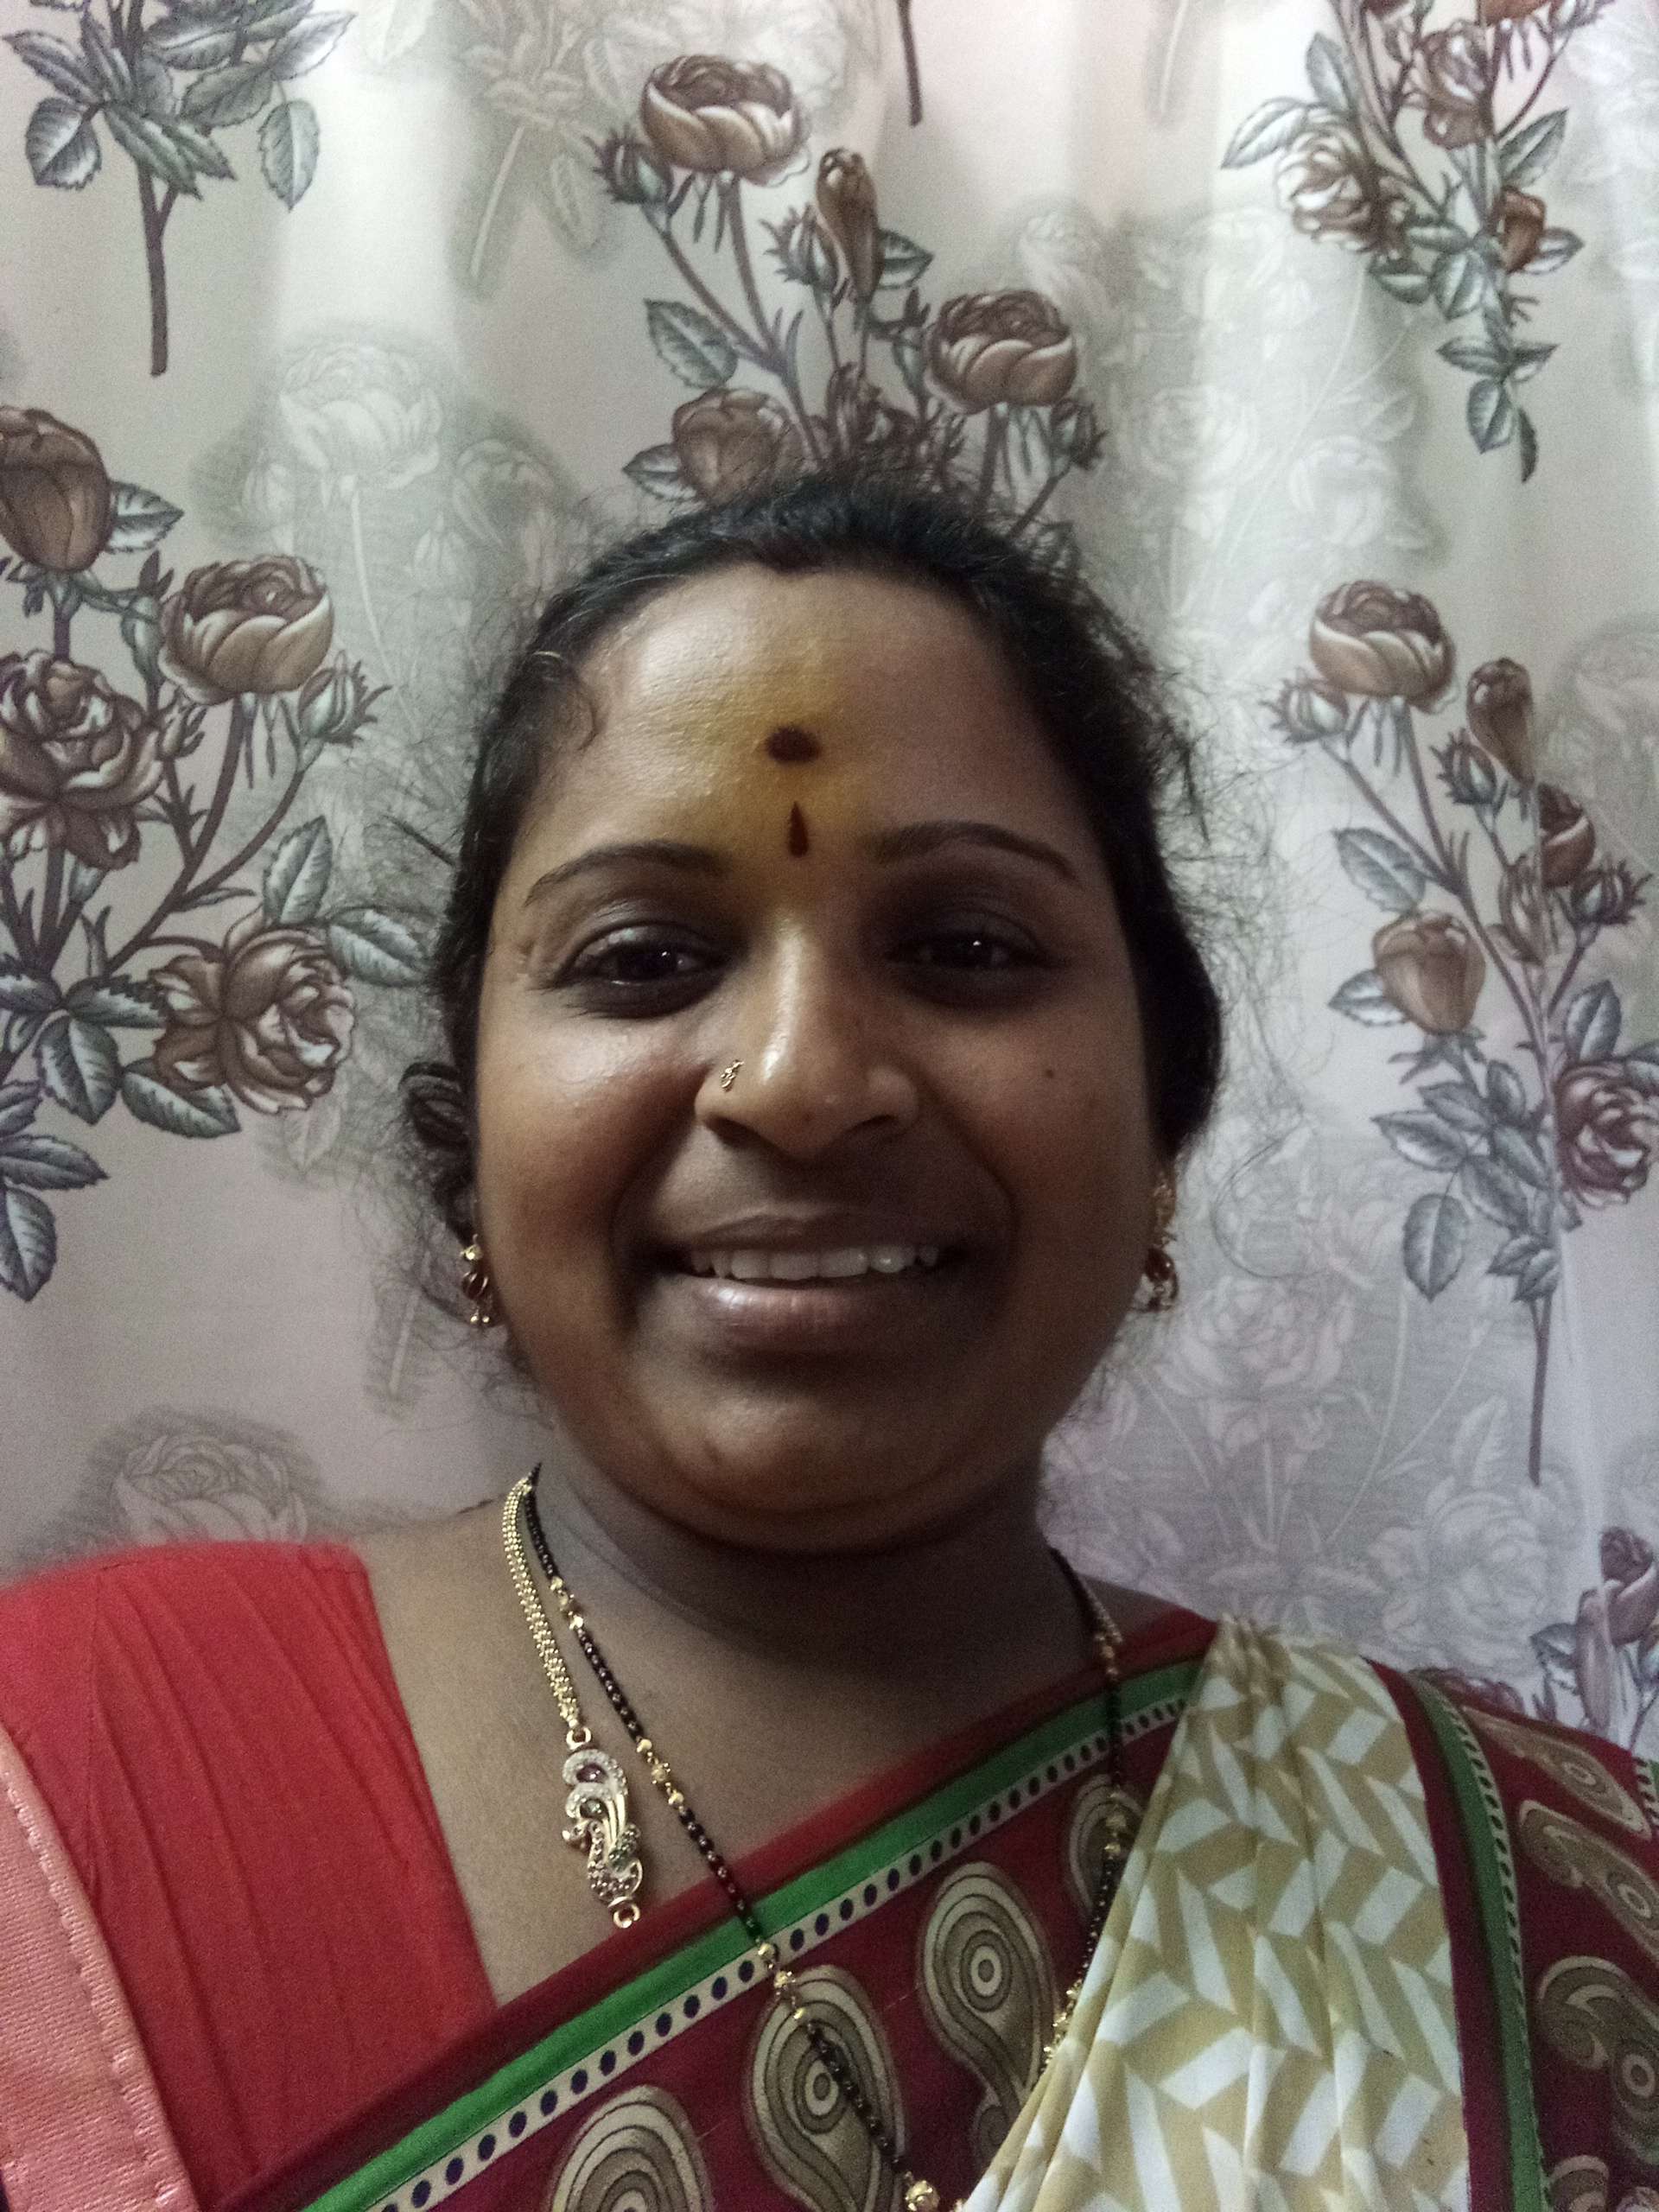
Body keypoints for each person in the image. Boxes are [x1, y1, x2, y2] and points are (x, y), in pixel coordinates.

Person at [0, 477, 1653, 2212]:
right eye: (644, 958)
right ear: (471, 1143)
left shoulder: (1547, 1904)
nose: (798, 1082)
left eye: (965, 947)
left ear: (1164, 1124)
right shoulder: (75, 1790)